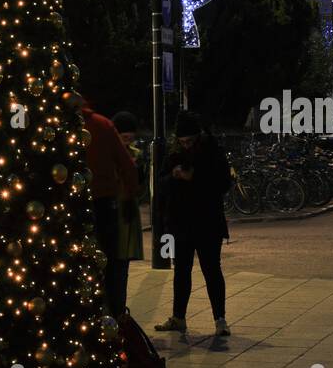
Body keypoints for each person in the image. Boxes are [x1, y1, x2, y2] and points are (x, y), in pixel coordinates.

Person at [155, 109, 232, 338]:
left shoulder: (212, 153)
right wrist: (174, 176)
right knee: (182, 271)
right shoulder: (174, 155)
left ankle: (220, 319)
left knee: (212, 270)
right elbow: (161, 184)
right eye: (182, 141)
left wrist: (194, 177)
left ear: (197, 137)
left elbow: (223, 183)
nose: (185, 145)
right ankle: (179, 317)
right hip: (181, 223)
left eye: (189, 141)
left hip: (208, 222)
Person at [82, 96, 138, 317]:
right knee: (114, 264)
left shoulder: (58, 128)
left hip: (75, 206)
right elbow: (128, 168)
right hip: (106, 203)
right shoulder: (102, 125)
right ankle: (114, 314)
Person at [111, 111, 145, 314]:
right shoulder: (109, 155)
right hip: (113, 213)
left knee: (122, 266)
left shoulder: (136, 155)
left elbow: (139, 190)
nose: (127, 142)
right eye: (124, 138)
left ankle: (120, 306)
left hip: (127, 213)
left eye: (130, 139)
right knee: (114, 265)